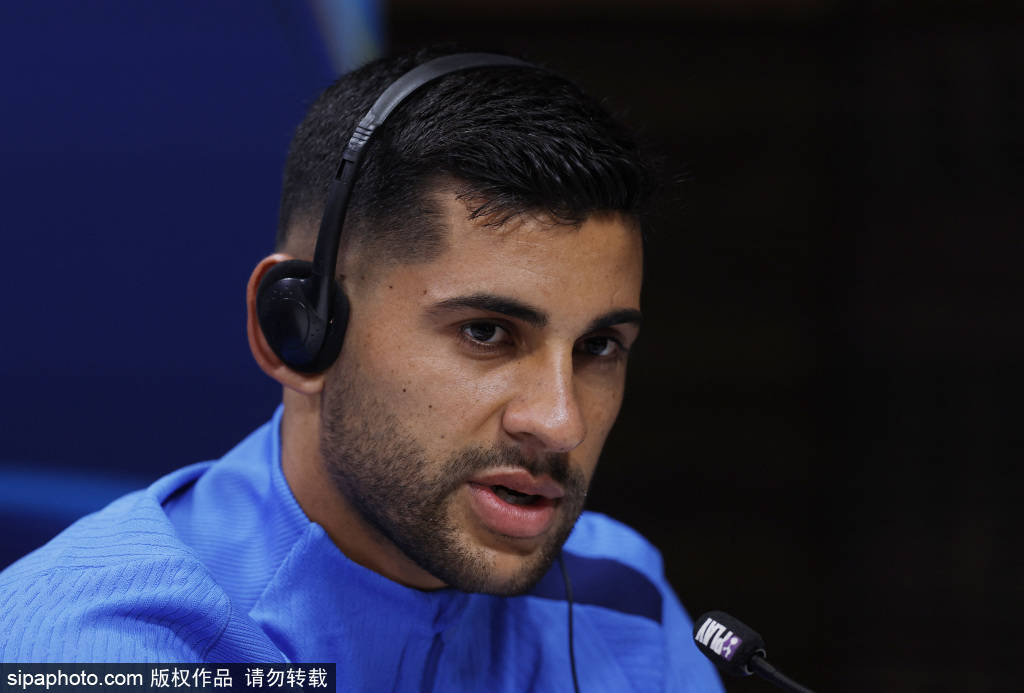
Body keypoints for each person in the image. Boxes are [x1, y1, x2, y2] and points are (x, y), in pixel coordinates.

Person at [0, 48, 724, 692]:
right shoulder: (87, 650)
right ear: (295, 331)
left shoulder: (619, 594)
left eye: (598, 347)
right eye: (486, 332)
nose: (561, 424)